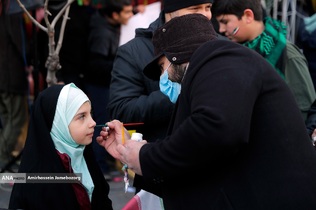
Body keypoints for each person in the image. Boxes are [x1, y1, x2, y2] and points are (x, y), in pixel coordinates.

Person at [97, 14, 316, 210]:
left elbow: (215, 130)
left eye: (162, 67)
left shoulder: (219, 58)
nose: (164, 78)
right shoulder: (216, 75)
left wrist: (145, 155)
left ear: (174, 56)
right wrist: (132, 153)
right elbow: (198, 162)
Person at [107, 0, 217, 192]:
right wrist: (177, 91)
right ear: (169, 12)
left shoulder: (220, 46)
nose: (204, 15)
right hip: (158, 175)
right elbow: (122, 109)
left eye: (208, 8)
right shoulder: (134, 51)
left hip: (214, 172)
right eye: (194, 8)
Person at [9, 83, 113, 210]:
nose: (93, 122)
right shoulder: (36, 181)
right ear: (59, 124)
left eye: (90, 114)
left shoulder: (84, 155)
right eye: (81, 116)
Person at [212, 0, 316, 121]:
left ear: (248, 16)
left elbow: (304, 106)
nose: (221, 29)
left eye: (225, 21)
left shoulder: (287, 53)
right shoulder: (235, 53)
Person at [84, 0, 134, 179]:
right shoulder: (102, 33)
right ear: (114, 15)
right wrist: (121, 64)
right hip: (99, 85)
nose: (131, 16)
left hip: (106, 84)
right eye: (127, 13)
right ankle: (101, 166)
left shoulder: (112, 23)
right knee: (102, 123)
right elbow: (96, 63)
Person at [0, 5, 30, 169]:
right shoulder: (11, 12)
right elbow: (21, 45)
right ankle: (3, 159)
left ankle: (5, 158)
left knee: (8, 119)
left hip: (6, 76)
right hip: (11, 76)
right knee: (14, 119)